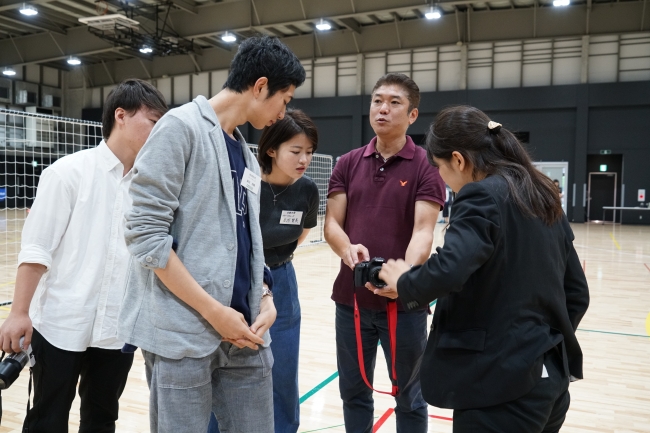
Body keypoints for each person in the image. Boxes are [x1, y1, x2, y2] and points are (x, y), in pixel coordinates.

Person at [117, 35, 305, 433]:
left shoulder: (245, 154)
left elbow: (247, 241)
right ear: (259, 87)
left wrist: (266, 296)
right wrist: (213, 311)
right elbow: (147, 237)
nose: (282, 111)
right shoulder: (179, 129)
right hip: (183, 332)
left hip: (244, 330)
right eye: (283, 99)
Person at [378, 106, 590, 432]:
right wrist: (539, 344)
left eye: (440, 168)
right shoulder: (541, 193)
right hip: (552, 382)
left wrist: (405, 281)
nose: (443, 179)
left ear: (459, 160)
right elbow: (577, 292)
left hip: (501, 390)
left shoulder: (481, 195)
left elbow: (449, 269)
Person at [0, 79, 167, 433]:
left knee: (103, 418)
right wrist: (18, 312)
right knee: (47, 417)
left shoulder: (150, 186)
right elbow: (36, 249)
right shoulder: (66, 173)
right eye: (153, 120)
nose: (159, 130)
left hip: (117, 330)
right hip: (60, 324)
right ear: (121, 115)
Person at [324, 73, 446, 433]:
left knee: (409, 397)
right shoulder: (347, 162)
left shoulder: (426, 165)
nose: (383, 108)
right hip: (351, 303)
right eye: (378, 100)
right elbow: (332, 223)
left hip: (404, 306)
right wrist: (347, 249)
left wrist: (404, 277)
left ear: (412, 115)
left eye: (394, 102)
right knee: (354, 391)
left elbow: (424, 230)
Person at [208, 109, 319, 433]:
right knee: (225, 368)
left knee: (283, 370)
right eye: (296, 151)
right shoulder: (246, 181)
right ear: (272, 149)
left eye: (309, 153)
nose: (304, 160)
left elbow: (302, 231)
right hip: (237, 281)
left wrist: (276, 261)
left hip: (282, 280)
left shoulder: (307, 190)